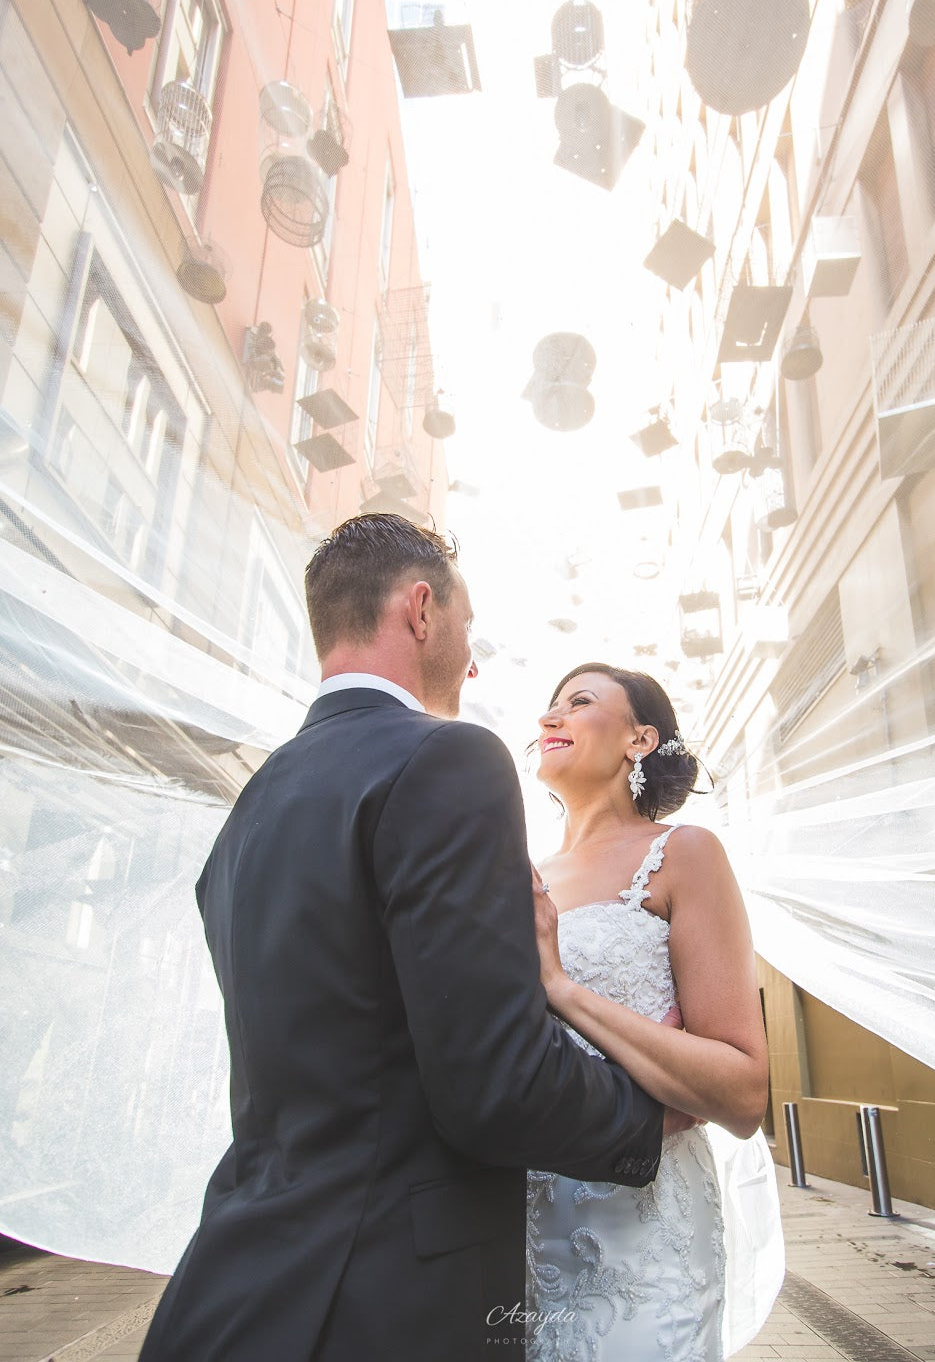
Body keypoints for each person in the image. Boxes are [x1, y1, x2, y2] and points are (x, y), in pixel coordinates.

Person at [137, 515, 694, 1362]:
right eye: (467, 629)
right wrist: (653, 1113)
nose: (471, 663)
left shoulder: (250, 811)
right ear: (421, 609)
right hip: (390, 1300)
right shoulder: (446, 760)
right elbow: (494, 1084)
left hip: (237, 1287)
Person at [525, 662, 781, 1360]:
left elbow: (742, 1090)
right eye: (549, 706)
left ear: (640, 738)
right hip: (525, 1221)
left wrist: (563, 988)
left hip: (646, 1227)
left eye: (578, 702)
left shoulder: (682, 854)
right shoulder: (519, 874)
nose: (550, 718)